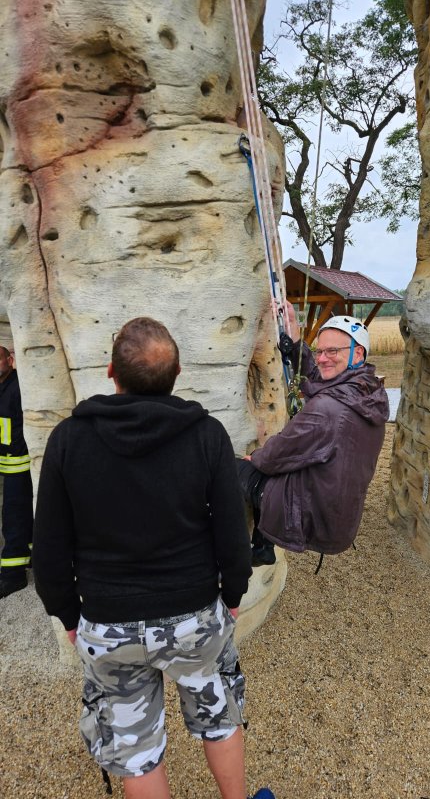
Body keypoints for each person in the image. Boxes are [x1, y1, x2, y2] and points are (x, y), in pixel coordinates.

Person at [33, 317, 275, 799]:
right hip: (194, 618)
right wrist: (232, 594)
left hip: (108, 621)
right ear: (178, 372)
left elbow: (50, 546)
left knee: (134, 748)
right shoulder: (206, 435)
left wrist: (66, 613)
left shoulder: (68, 440)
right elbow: (232, 529)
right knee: (218, 716)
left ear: (110, 371)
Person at [238, 304, 389, 566]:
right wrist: (295, 338)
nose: (322, 358)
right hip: (338, 512)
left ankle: (237, 548)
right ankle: (263, 547)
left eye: (332, 351)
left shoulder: (328, 410)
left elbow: (275, 456)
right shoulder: (370, 392)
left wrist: (255, 457)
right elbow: (318, 375)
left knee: (233, 469)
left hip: (310, 512)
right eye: (320, 351)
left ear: (358, 353)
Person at [0, 346, 34, 598]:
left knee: (14, 516)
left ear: (10, 360)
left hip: (19, 463)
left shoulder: (20, 388)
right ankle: (32, 554)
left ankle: (13, 575)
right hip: (7, 461)